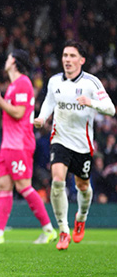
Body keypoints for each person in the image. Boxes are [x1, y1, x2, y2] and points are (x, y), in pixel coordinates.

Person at [34, 41, 115, 250]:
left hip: (83, 144)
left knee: (83, 187)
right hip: (60, 139)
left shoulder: (91, 82)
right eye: (64, 55)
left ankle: (81, 216)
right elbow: (49, 102)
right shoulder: (54, 81)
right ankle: (63, 230)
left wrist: (92, 103)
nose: (67, 60)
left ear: (82, 60)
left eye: (72, 56)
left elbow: (111, 109)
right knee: (57, 180)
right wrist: (42, 118)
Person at [0, 50, 57, 245]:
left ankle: (48, 230)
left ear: (14, 61)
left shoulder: (22, 83)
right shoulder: (13, 85)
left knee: (23, 186)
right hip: (8, 143)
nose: (5, 60)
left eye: (8, 57)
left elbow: (19, 113)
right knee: (4, 187)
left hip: (19, 143)